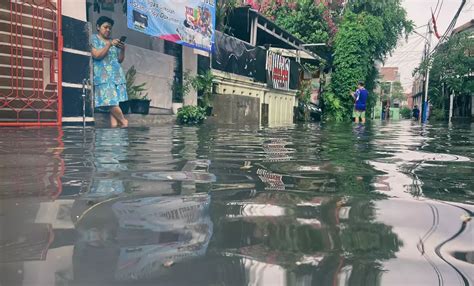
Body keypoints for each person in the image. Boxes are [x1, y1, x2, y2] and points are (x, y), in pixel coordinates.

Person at [91, 16, 128, 127]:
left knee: (114, 104)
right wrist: (109, 44)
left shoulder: (114, 42)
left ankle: (115, 133)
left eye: (110, 28)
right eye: (105, 27)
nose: (108, 30)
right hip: (103, 77)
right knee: (110, 102)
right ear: (98, 27)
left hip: (117, 77)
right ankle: (124, 121)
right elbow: (97, 55)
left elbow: (119, 60)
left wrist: (122, 49)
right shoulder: (93, 39)